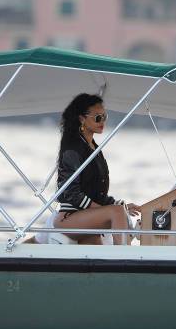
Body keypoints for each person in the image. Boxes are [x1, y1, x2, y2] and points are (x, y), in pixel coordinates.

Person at [53, 93, 140, 245]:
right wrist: (108, 209)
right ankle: (126, 257)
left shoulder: (93, 148)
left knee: (117, 211)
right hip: (69, 217)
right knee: (117, 212)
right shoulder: (73, 149)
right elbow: (72, 194)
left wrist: (119, 204)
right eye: (98, 118)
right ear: (82, 119)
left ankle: (121, 260)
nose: (102, 121)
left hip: (86, 216)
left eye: (104, 117)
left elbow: (95, 192)